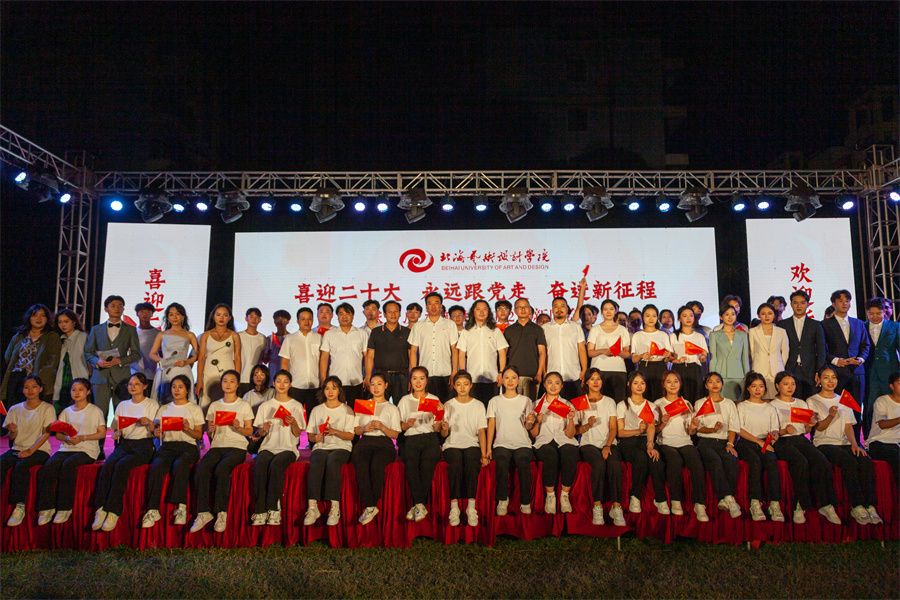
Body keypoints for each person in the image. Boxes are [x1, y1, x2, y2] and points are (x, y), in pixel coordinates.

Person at [808, 365, 882, 525]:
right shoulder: (812, 400)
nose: (830, 381)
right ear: (818, 379)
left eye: (833, 377)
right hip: (824, 443)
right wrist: (830, 416)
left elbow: (848, 426)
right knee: (849, 462)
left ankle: (870, 505)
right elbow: (818, 427)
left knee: (865, 461)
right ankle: (857, 506)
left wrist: (855, 444)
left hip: (845, 443)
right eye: (826, 377)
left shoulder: (844, 398)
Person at [769, 371, 841, 525]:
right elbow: (771, 432)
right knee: (800, 462)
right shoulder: (772, 405)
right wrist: (783, 431)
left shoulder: (801, 403)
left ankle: (825, 504)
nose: (790, 387)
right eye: (786, 384)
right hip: (782, 441)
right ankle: (799, 505)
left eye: (793, 384)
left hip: (801, 439)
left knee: (822, 462)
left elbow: (806, 429)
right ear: (777, 386)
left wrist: (810, 424)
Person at [92, 373, 159, 532]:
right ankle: (100, 508)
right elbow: (116, 425)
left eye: (137, 384)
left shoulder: (152, 404)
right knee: (108, 465)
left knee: (122, 466)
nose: (132, 387)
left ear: (145, 386)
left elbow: (156, 431)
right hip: (125, 444)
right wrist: (116, 432)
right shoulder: (123, 405)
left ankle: (114, 511)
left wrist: (149, 423)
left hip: (144, 445)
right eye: (130, 384)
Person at [190, 370, 254, 533]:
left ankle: (221, 513)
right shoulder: (215, 405)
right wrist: (210, 429)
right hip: (217, 446)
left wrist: (238, 427)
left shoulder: (244, 405)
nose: (228, 384)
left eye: (232, 381)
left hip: (237, 446)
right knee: (202, 469)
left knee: (222, 469)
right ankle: (203, 512)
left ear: (237, 385)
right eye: (225, 381)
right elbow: (209, 433)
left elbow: (249, 431)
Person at [36, 378, 105, 525]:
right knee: (49, 466)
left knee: (68, 465)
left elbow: (102, 433)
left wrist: (83, 438)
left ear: (88, 392)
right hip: (67, 448)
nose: (76, 392)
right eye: (73, 389)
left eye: (81, 389)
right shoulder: (66, 411)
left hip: (87, 450)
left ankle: (64, 508)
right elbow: (58, 434)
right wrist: (67, 438)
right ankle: (46, 507)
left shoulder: (95, 410)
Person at [141, 375, 204, 528]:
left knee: (180, 465)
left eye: (180, 387)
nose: (176, 390)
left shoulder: (194, 409)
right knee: (156, 467)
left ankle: (181, 507)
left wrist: (187, 428)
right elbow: (159, 432)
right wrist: (157, 432)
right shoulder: (164, 408)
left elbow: (198, 435)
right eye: (174, 387)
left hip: (188, 446)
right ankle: (152, 509)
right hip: (168, 446)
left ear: (187, 390)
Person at [250, 370, 306, 526]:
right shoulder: (265, 406)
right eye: (279, 381)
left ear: (290, 384)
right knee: (260, 464)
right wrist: (263, 430)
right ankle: (260, 510)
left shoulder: (296, 405)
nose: (282, 384)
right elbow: (258, 433)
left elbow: (298, 433)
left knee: (276, 466)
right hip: (268, 447)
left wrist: (294, 423)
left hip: (288, 448)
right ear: (273, 383)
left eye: (285, 381)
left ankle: (273, 508)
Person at [654, 371, 709, 521]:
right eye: (669, 382)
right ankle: (675, 500)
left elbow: (690, 432)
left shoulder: (687, 403)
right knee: (675, 460)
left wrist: (693, 426)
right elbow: (654, 430)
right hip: (666, 442)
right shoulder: (658, 404)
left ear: (680, 384)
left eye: (676, 381)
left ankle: (699, 504)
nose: (673, 385)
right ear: (663, 385)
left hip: (685, 442)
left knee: (696, 463)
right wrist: (663, 422)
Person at [2, 375, 55, 527]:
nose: (30, 390)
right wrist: (13, 431)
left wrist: (31, 451)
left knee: (21, 466)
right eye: (26, 387)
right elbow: (12, 437)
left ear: (40, 389)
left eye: (34, 387)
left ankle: (20, 506)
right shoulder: (15, 409)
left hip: (39, 450)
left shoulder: (48, 408)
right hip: (17, 448)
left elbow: (46, 434)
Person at [304, 376, 356, 526]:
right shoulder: (317, 410)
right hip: (321, 446)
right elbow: (310, 436)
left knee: (333, 462)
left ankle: (335, 507)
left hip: (341, 447)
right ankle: (312, 507)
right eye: (327, 388)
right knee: (317, 460)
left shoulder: (347, 410)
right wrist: (316, 437)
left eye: (334, 388)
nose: (330, 391)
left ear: (339, 390)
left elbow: (351, 436)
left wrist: (335, 432)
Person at [439, 371, 488, 526]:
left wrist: (484, 454)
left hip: (472, 443)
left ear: (471, 385)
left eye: (465, 384)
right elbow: (444, 434)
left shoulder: (478, 405)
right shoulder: (448, 405)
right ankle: (454, 507)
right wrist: (444, 428)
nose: (462, 388)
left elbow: (481, 431)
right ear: (454, 386)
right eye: (458, 384)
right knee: (455, 463)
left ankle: (471, 507)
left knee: (472, 463)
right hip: (452, 444)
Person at [577, 369, 625, 526]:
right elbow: (576, 430)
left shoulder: (610, 402)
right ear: (587, 382)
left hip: (608, 442)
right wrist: (587, 425)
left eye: (598, 379)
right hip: (588, 444)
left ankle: (616, 507)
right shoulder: (581, 401)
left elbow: (613, 428)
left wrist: (607, 445)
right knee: (598, 464)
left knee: (615, 464)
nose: (596, 382)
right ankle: (597, 506)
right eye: (592, 379)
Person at [352, 372, 401, 525]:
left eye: (379, 384)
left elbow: (395, 434)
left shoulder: (392, 408)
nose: (376, 387)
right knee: (361, 464)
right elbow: (355, 430)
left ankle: (371, 505)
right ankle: (370, 506)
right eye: (372, 384)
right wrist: (365, 428)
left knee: (376, 466)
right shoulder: (363, 405)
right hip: (365, 441)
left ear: (386, 386)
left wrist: (382, 427)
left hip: (384, 443)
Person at [486, 366, 535, 517]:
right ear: (501, 380)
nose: (510, 381)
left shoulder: (526, 400)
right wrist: (488, 448)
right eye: (507, 378)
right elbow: (491, 425)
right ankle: (502, 499)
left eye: (514, 378)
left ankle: (525, 502)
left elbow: (528, 427)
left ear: (518, 380)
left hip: (522, 443)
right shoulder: (495, 401)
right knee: (501, 463)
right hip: (501, 443)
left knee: (523, 463)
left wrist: (530, 422)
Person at [735, 372, 784, 522]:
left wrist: (774, 435)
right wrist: (758, 441)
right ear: (748, 388)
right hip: (747, 442)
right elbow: (739, 430)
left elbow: (774, 429)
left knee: (772, 462)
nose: (758, 389)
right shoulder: (742, 406)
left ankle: (774, 504)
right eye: (754, 386)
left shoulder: (770, 408)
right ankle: (755, 503)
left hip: (765, 442)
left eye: (761, 386)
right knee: (755, 462)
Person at [84, 296, 142, 423]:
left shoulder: (130, 329)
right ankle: (99, 437)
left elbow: (136, 354)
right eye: (113, 305)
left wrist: (120, 361)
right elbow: (88, 353)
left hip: (122, 378)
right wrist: (97, 362)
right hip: (100, 377)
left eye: (120, 306)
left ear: (123, 309)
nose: (117, 308)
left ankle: (120, 437)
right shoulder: (96, 329)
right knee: (99, 415)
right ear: (106, 309)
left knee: (122, 415)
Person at [822, 289, 870, 439]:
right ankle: (837, 440)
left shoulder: (859, 323)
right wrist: (837, 360)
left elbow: (866, 345)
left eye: (847, 301)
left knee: (856, 409)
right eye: (840, 301)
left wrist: (861, 359)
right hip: (836, 373)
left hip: (857, 373)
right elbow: (822, 350)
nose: (844, 304)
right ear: (833, 303)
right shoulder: (824, 325)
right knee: (837, 408)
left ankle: (856, 442)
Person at [616, 372, 666, 514]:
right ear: (629, 385)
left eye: (642, 383)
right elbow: (620, 432)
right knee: (641, 457)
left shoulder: (651, 405)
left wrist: (650, 445)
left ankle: (660, 499)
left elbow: (651, 427)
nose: (639, 386)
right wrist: (638, 430)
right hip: (627, 441)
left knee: (655, 458)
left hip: (646, 439)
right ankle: (635, 497)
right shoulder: (622, 405)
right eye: (636, 383)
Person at [693, 372, 742, 519]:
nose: (714, 384)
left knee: (731, 460)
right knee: (715, 460)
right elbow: (697, 428)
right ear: (706, 385)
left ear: (722, 384)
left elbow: (733, 426)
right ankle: (729, 498)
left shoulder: (729, 403)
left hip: (724, 442)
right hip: (705, 441)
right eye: (711, 381)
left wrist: (730, 444)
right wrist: (712, 430)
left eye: (718, 381)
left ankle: (723, 499)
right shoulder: (700, 403)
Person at [528, 372, 578, 515]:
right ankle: (550, 496)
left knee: (570, 451)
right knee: (550, 454)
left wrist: (571, 419)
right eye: (549, 382)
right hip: (543, 441)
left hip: (563, 439)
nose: (553, 386)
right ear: (544, 385)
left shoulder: (567, 404)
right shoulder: (536, 404)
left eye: (557, 383)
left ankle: (564, 495)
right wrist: (537, 421)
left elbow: (570, 434)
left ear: (561, 386)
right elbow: (534, 434)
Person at [399, 366, 443, 522]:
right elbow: (400, 427)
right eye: (414, 378)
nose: (418, 382)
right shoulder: (405, 400)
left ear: (427, 380)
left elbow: (437, 428)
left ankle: (418, 505)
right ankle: (420, 504)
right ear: (410, 381)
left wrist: (440, 416)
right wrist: (407, 425)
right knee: (411, 465)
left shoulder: (434, 399)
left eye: (422, 378)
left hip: (430, 437)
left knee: (426, 466)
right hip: (411, 438)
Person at [2, 304, 61, 409]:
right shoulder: (19, 336)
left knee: (33, 411)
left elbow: (53, 362)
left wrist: (37, 380)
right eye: (35, 315)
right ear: (29, 317)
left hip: (37, 379)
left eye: (43, 315)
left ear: (47, 319)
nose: (39, 318)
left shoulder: (52, 336)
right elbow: (7, 357)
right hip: (16, 379)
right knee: (14, 411)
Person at [408, 292, 459, 401]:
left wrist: (454, 371)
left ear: (441, 306)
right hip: (424, 376)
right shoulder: (418, 326)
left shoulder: (450, 324)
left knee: (445, 406)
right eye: (430, 303)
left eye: (436, 303)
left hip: (445, 374)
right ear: (426, 307)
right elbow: (413, 351)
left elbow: (454, 350)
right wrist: (413, 374)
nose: (433, 306)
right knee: (425, 407)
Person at [456, 300, 508, 406]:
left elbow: (502, 352)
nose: (481, 312)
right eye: (478, 309)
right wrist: (463, 374)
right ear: (473, 312)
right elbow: (461, 354)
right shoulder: (467, 331)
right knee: (473, 408)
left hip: (492, 378)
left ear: (489, 312)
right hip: (472, 378)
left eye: (485, 309)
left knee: (491, 408)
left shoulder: (495, 330)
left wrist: (501, 372)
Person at [777, 290, 826, 401]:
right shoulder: (782, 324)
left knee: (811, 402)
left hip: (811, 371)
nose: (799, 306)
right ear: (791, 304)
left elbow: (821, 351)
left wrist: (820, 371)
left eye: (802, 303)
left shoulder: (816, 325)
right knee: (791, 402)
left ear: (808, 304)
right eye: (795, 303)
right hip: (789, 369)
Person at [148, 303, 198, 404]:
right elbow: (152, 354)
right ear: (167, 317)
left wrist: (186, 362)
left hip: (182, 368)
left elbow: (197, 354)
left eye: (178, 314)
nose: (175, 317)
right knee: (164, 399)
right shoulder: (162, 334)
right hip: (166, 369)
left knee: (184, 398)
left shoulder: (189, 335)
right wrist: (163, 361)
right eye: (171, 314)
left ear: (183, 317)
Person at [195, 304, 242, 412]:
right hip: (209, 374)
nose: (221, 317)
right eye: (218, 314)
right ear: (213, 316)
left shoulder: (234, 336)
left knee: (227, 403)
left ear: (229, 318)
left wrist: (237, 379)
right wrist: (199, 380)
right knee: (206, 404)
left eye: (225, 315)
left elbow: (237, 358)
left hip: (228, 373)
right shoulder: (205, 335)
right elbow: (201, 358)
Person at [319, 303, 368, 404]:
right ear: (337, 317)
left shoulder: (362, 333)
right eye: (341, 314)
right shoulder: (329, 334)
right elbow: (324, 358)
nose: (344, 317)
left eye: (347, 314)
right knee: (335, 410)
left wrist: (367, 376)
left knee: (356, 411)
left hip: (356, 381)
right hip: (335, 383)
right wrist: (323, 379)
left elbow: (367, 357)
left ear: (353, 316)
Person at [364, 300, 410, 405]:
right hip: (381, 376)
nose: (393, 314)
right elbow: (370, 356)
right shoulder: (376, 332)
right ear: (384, 314)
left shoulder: (406, 332)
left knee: (401, 406)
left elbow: (411, 355)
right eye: (389, 312)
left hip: (401, 377)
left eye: (396, 311)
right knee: (378, 406)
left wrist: (411, 376)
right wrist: (368, 376)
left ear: (400, 313)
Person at [278, 307, 322, 417]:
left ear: (313, 320)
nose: (307, 322)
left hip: (315, 386)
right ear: (298, 321)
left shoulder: (320, 338)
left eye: (309, 319)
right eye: (303, 319)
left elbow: (323, 362)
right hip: (295, 386)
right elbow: (284, 363)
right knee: (294, 418)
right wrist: (286, 383)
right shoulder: (289, 339)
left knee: (314, 418)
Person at [542, 297, 587, 400]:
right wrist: (544, 371)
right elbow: (543, 352)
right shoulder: (544, 328)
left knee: (576, 408)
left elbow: (581, 349)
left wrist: (584, 369)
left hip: (574, 376)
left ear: (567, 309)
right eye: (556, 306)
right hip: (552, 379)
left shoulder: (576, 327)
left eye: (562, 306)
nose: (559, 309)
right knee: (553, 409)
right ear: (552, 309)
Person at [865, 298, 900, 429]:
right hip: (868, 373)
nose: (875, 316)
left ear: (884, 312)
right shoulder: (861, 326)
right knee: (869, 407)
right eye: (871, 313)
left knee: (892, 406)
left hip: (890, 372)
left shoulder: (895, 326)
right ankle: (868, 436)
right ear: (867, 313)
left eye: (878, 313)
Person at [586, 299, 631, 403]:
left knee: (618, 402)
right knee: (599, 402)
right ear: (602, 312)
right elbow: (590, 352)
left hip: (618, 370)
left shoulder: (622, 330)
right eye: (605, 309)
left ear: (615, 311)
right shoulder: (595, 329)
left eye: (611, 309)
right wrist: (603, 351)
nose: (608, 312)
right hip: (599, 371)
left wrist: (617, 352)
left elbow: (627, 353)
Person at [503, 298, 547, 401]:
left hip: (532, 376)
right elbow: (503, 354)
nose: (523, 309)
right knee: (513, 404)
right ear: (515, 310)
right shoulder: (509, 330)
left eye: (525, 307)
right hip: (513, 376)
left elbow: (542, 352)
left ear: (530, 309)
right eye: (519, 307)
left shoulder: (537, 329)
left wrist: (539, 373)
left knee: (530, 405)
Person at [630, 304, 673, 402]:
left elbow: (669, 357)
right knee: (645, 396)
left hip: (660, 367)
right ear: (643, 317)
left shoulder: (663, 335)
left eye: (654, 316)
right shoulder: (637, 335)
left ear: (657, 318)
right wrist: (641, 356)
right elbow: (633, 359)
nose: (651, 318)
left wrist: (667, 356)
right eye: (648, 315)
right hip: (644, 367)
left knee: (661, 396)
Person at [709, 304, 750, 400]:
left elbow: (745, 358)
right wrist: (712, 377)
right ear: (721, 317)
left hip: (739, 374)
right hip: (721, 373)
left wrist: (747, 376)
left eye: (733, 314)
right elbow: (713, 358)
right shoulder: (714, 335)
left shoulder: (742, 335)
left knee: (739, 401)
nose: (730, 317)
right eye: (727, 314)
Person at [748, 303, 790, 398]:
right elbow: (752, 352)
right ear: (759, 315)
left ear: (774, 315)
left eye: (770, 313)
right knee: (760, 397)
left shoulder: (781, 331)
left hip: (777, 369)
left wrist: (779, 364)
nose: (767, 316)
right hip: (759, 368)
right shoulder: (753, 331)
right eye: (763, 314)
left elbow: (785, 352)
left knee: (777, 397)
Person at [53, 309, 89, 414]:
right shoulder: (59, 339)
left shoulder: (83, 337)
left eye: (66, 321)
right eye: (60, 322)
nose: (63, 325)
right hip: (61, 381)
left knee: (78, 412)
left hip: (78, 378)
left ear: (74, 322)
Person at [670, 306, 709, 402]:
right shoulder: (674, 336)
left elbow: (704, 355)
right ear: (679, 318)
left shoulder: (699, 336)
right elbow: (670, 356)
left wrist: (702, 357)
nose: (688, 318)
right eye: (684, 316)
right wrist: (676, 360)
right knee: (680, 397)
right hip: (679, 368)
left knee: (696, 396)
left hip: (695, 369)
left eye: (691, 315)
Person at [866, 372, 900, 481]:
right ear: (892, 386)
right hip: (879, 442)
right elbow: (882, 424)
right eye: (899, 383)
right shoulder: (882, 401)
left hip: (897, 443)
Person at [238, 308, 267, 397]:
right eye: (251, 317)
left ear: (260, 320)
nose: (254, 319)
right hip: (240, 377)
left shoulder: (263, 338)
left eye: (257, 317)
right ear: (246, 318)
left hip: (255, 379)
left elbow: (264, 359)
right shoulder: (238, 336)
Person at [133, 302, 161, 380]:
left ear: (152, 314)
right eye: (142, 312)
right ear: (137, 314)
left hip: (150, 374)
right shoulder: (131, 332)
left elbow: (162, 354)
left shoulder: (158, 333)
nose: (145, 314)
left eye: (148, 312)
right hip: (133, 373)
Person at [263, 309, 291, 384]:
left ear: (288, 321)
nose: (280, 321)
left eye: (283, 318)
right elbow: (265, 360)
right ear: (274, 322)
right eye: (277, 319)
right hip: (273, 373)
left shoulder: (292, 338)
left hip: (288, 372)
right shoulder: (270, 338)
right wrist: (267, 353)